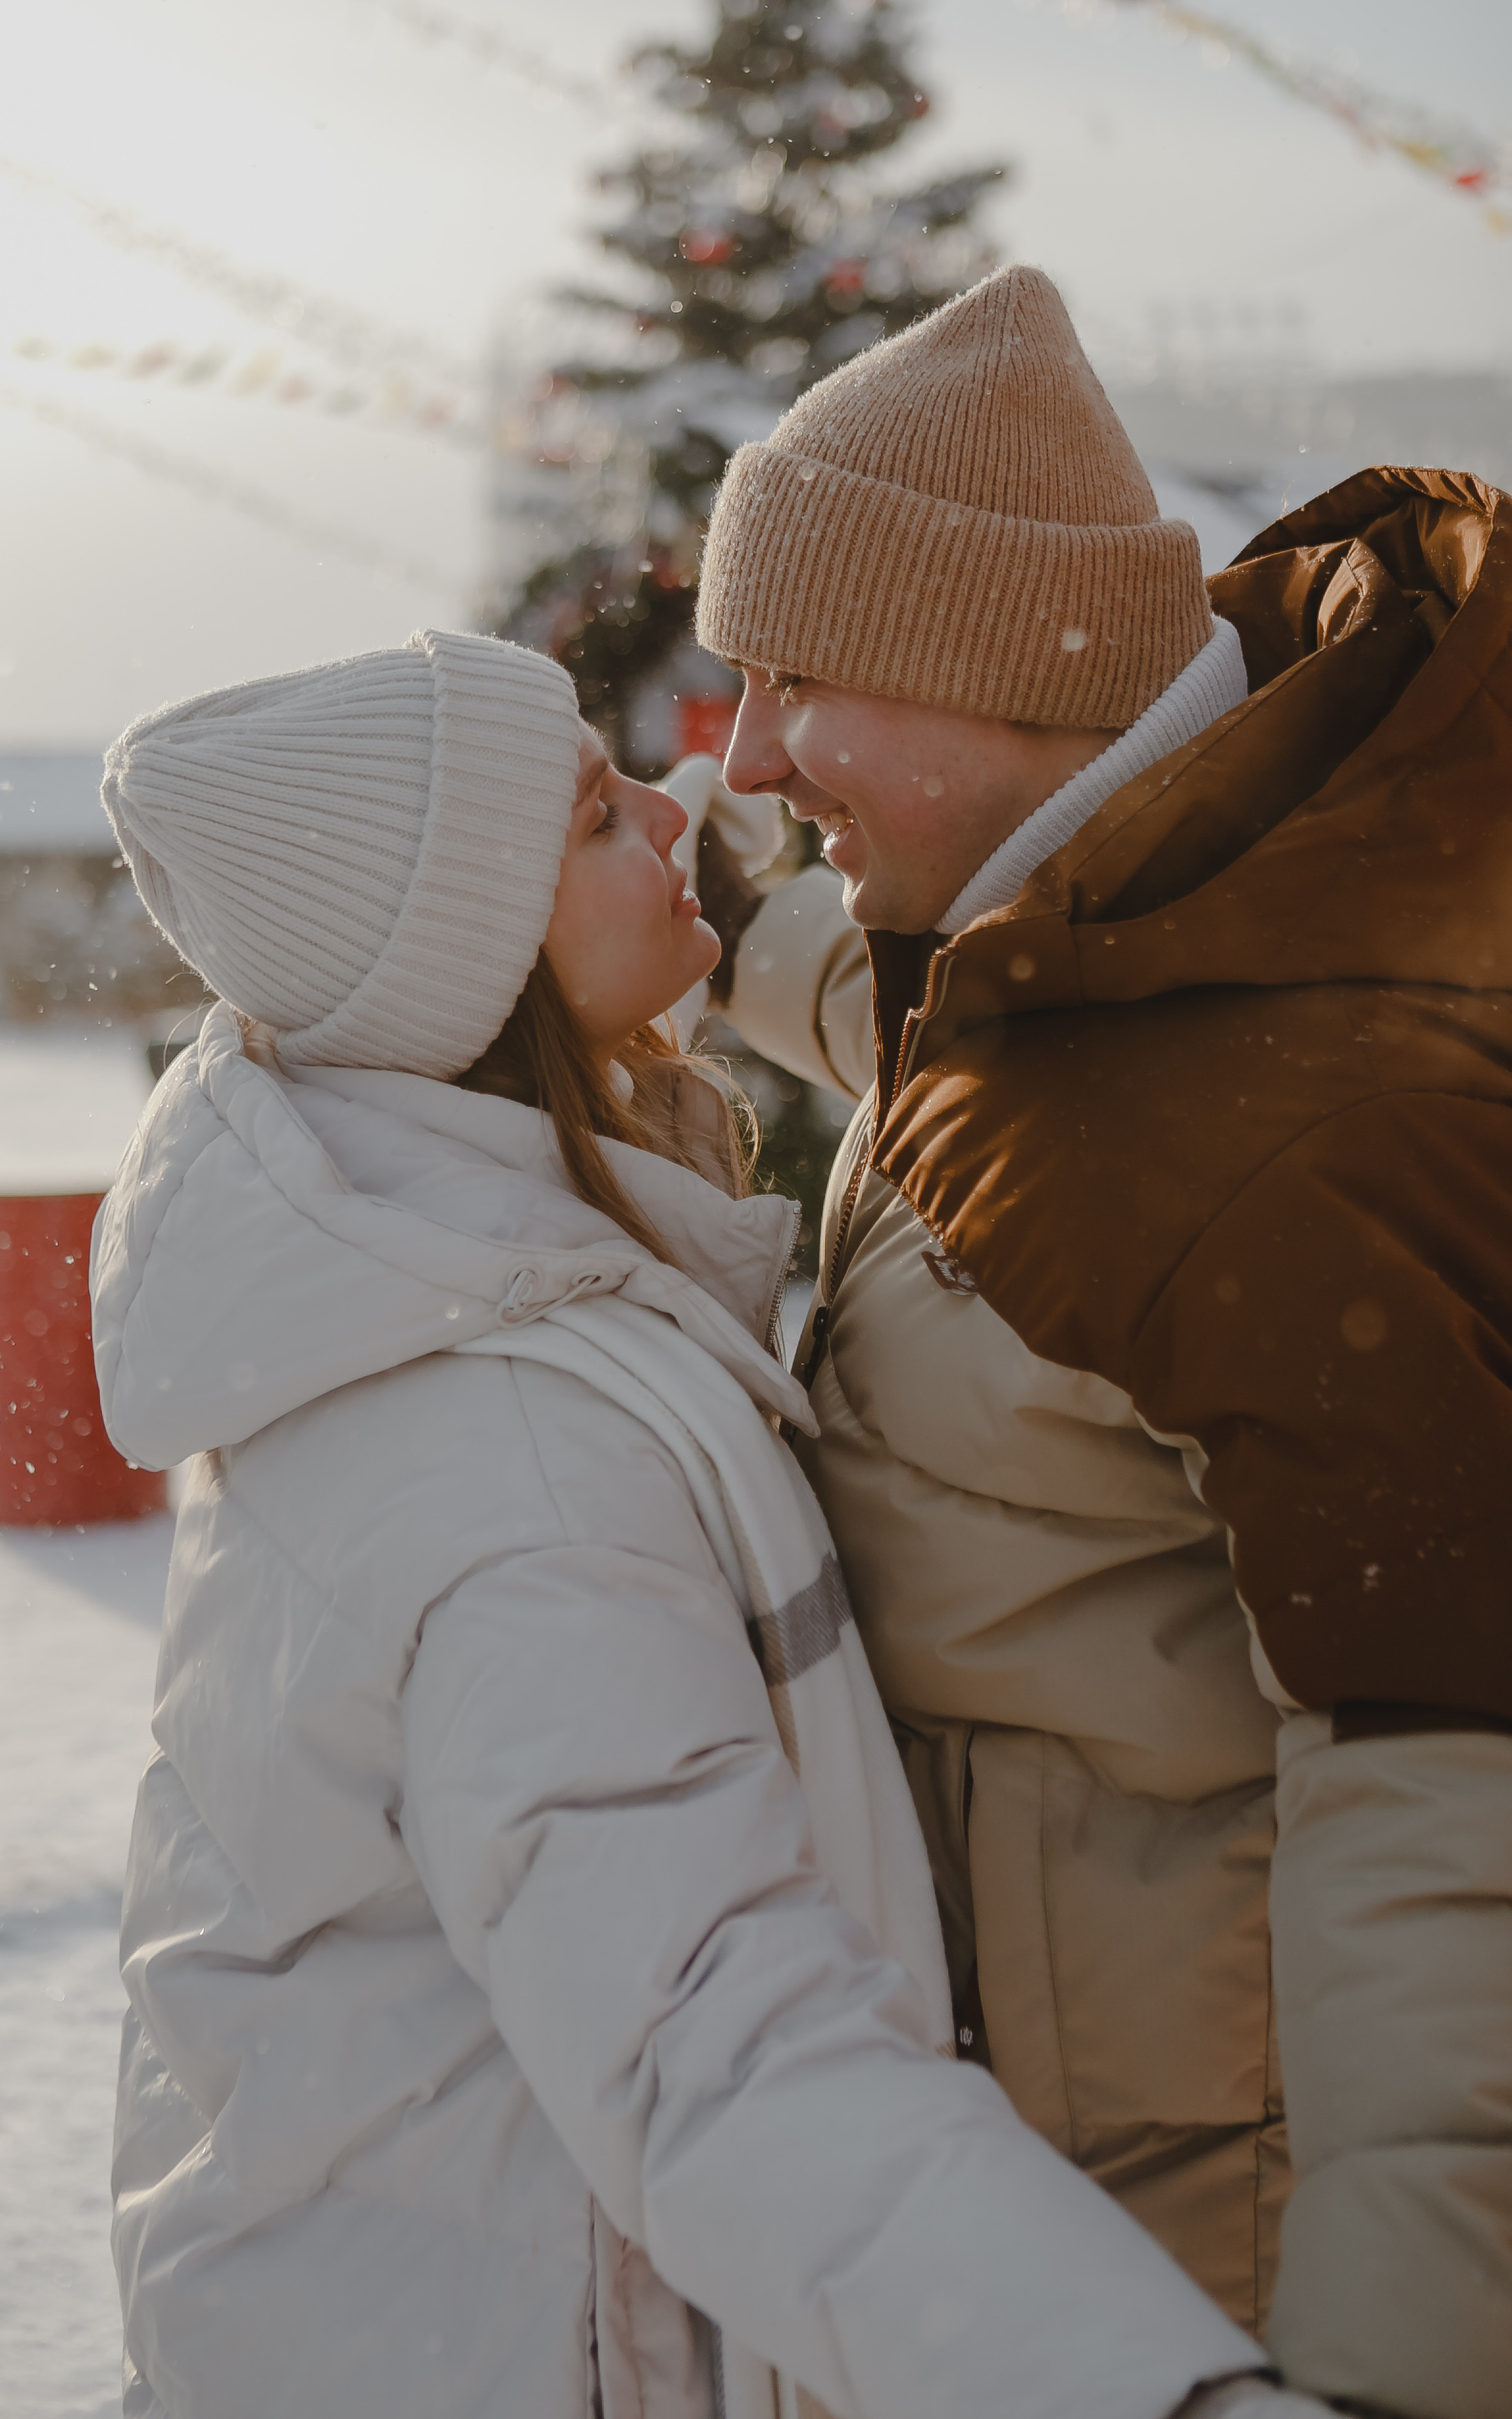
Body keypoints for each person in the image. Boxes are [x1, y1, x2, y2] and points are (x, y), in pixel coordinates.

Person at [89, 628, 1310, 2419]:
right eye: (594, 815)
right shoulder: (513, 1460)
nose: (682, 804)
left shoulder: (450, 1275)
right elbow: (726, 2056)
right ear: (470, 969)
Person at [682, 262, 1512, 2419]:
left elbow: (1448, 1812)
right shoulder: (1102, 938)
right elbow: (987, 1105)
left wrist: (1391, 2374)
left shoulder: (1280, 1135)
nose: (748, 756)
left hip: (1224, 2236)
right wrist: (693, 944)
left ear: (991, 670)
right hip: (1064, 2175)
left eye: (793, 680)